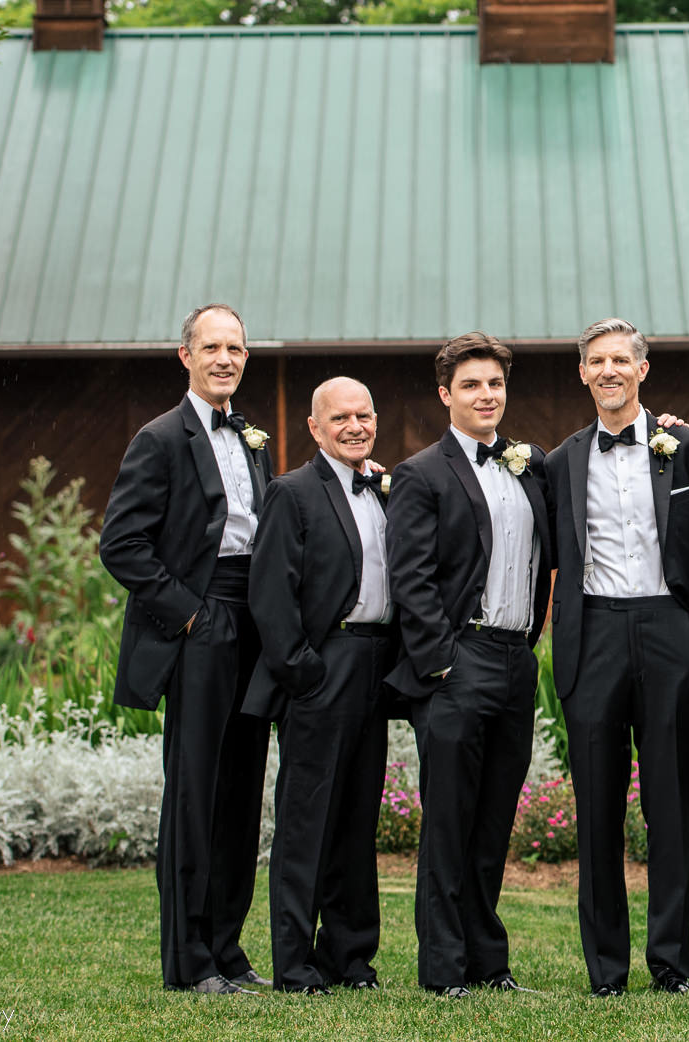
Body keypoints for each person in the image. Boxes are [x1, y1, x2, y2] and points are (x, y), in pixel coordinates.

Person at [544, 319, 689, 997]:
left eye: (620, 360)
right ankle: (605, 969)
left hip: (668, 631)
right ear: (582, 373)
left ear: (642, 369)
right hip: (592, 632)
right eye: (596, 361)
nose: (609, 371)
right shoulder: (559, 460)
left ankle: (670, 964)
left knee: (668, 803)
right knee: (596, 809)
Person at [100, 303, 273, 995]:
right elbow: (121, 544)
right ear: (186, 357)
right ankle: (190, 961)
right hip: (199, 627)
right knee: (196, 797)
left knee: (240, 794)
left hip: (253, 626)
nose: (225, 358)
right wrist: (191, 615)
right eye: (212, 347)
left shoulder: (253, 440)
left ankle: (228, 950)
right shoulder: (159, 438)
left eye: (235, 347)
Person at [383, 332, 553, 998]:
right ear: (446, 395)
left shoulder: (529, 465)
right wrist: (443, 664)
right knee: (450, 822)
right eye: (474, 385)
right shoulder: (423, 474)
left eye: (496, 384)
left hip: (517, 661)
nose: (488, 395)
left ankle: (489, 961)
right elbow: (412, 578)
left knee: (493, 823)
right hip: (460, 662)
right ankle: (444, 968)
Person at [245, 377, 398, 994]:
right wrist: (303, 670)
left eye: (364, 415)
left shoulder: (387, 489)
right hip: (321, 666)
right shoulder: (292, 492)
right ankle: (295, 962)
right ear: (315, 427)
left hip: (376, 666)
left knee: (358, 819)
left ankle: (350, 956)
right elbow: (270, 593)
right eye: (341, 418)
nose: (355, 426)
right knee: (307, 822)